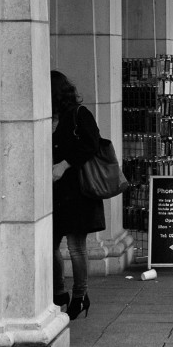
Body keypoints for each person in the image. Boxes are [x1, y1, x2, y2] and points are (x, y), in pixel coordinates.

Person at [51, 70, 107, 319]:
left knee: (75, 246)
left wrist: (64, 164)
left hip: (78, 190)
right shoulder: (46, 117)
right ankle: (58, 291)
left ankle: (80, 295)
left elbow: (92, 144)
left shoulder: (78, 114)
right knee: (50, 244)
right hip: (53, 192)